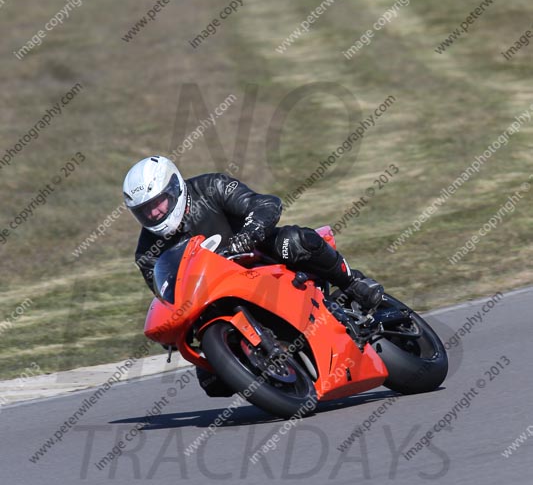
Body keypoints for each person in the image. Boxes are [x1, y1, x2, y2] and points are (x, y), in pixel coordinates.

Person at [123, 155, 383, 396]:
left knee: (295, 241)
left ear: (175, 188)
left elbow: (264, 203)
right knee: (212, 382)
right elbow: (169, 297)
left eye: (158, 203)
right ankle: (267, 372)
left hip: (258, 256)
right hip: (213, 296)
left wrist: (250, 233)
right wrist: (171, 330)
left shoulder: (212, 187)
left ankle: (353, 283)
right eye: (145, 211)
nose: (154, 214)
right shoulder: (147, 254)